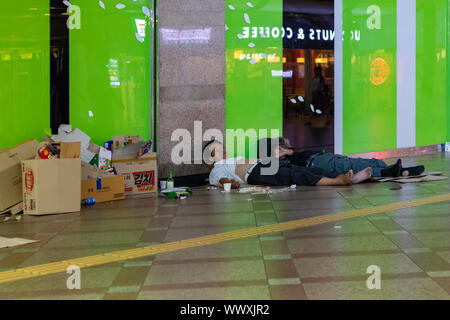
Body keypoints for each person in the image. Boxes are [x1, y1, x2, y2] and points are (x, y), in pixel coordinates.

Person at [204, 140, 373, 190]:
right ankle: (339, 181)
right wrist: (230, 184)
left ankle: (349, 178)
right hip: (255, 173)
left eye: (223, 147)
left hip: (264, 165)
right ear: (210, 158)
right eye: (218, 150)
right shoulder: (216, 170)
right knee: (295, 176)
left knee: (304, 169)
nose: (224, 150)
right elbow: (222, 180)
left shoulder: (230, 159)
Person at [261, 138, 425, 178]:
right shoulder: (287, 159)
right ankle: (388, 173)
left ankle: (402, 171)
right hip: (323, 162)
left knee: (371, 162)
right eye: (285, 143)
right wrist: (283, 152)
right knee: (356, 166)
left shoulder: (292, 157)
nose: (289, 143)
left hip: (326, 159)